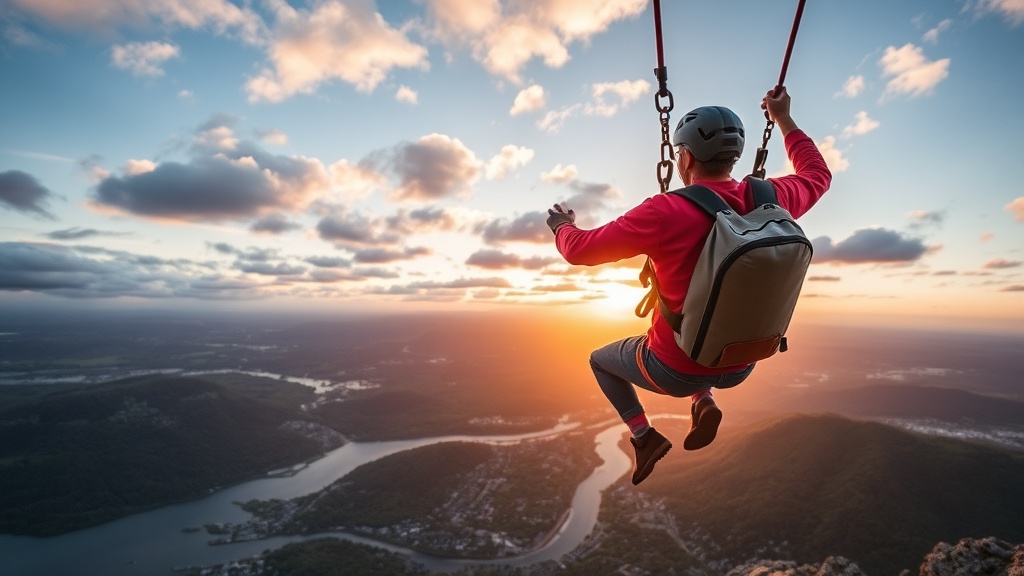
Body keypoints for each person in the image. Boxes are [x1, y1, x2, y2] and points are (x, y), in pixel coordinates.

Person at [545, 87, 832, 485]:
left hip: (673, 368)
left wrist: (562, 226)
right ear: (735, 154)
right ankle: (704, 400)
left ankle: (645, 438)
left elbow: (581, 251)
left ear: (685, 156)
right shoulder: (772, 199)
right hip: (741, 362)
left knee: (600, 359)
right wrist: (783, 118)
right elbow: (818, 174)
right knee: (701, 330)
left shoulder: (665, 211)